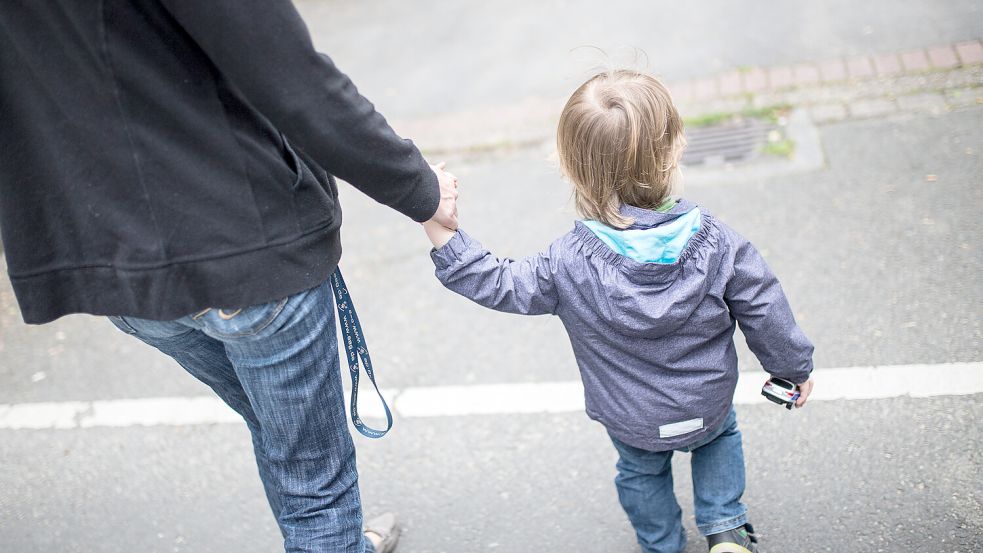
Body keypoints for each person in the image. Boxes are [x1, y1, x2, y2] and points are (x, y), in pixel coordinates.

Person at [0, 1, 458, 551]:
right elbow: (295, 79)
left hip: (114, 263)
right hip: (241, 242)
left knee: (281, 436)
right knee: (314, 482)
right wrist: (419, 188)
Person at [422, 70, 815, 553]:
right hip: (705, 403)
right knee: (718, 439)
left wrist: (439, 225)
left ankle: (661, 544)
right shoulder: (720, 244)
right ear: (674, 150)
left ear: (570, 167)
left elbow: (498, 282)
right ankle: (725, 526)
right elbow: (766, 310)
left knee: (639, 472)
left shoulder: (565, 262)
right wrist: (793, 370)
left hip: (630, 416)